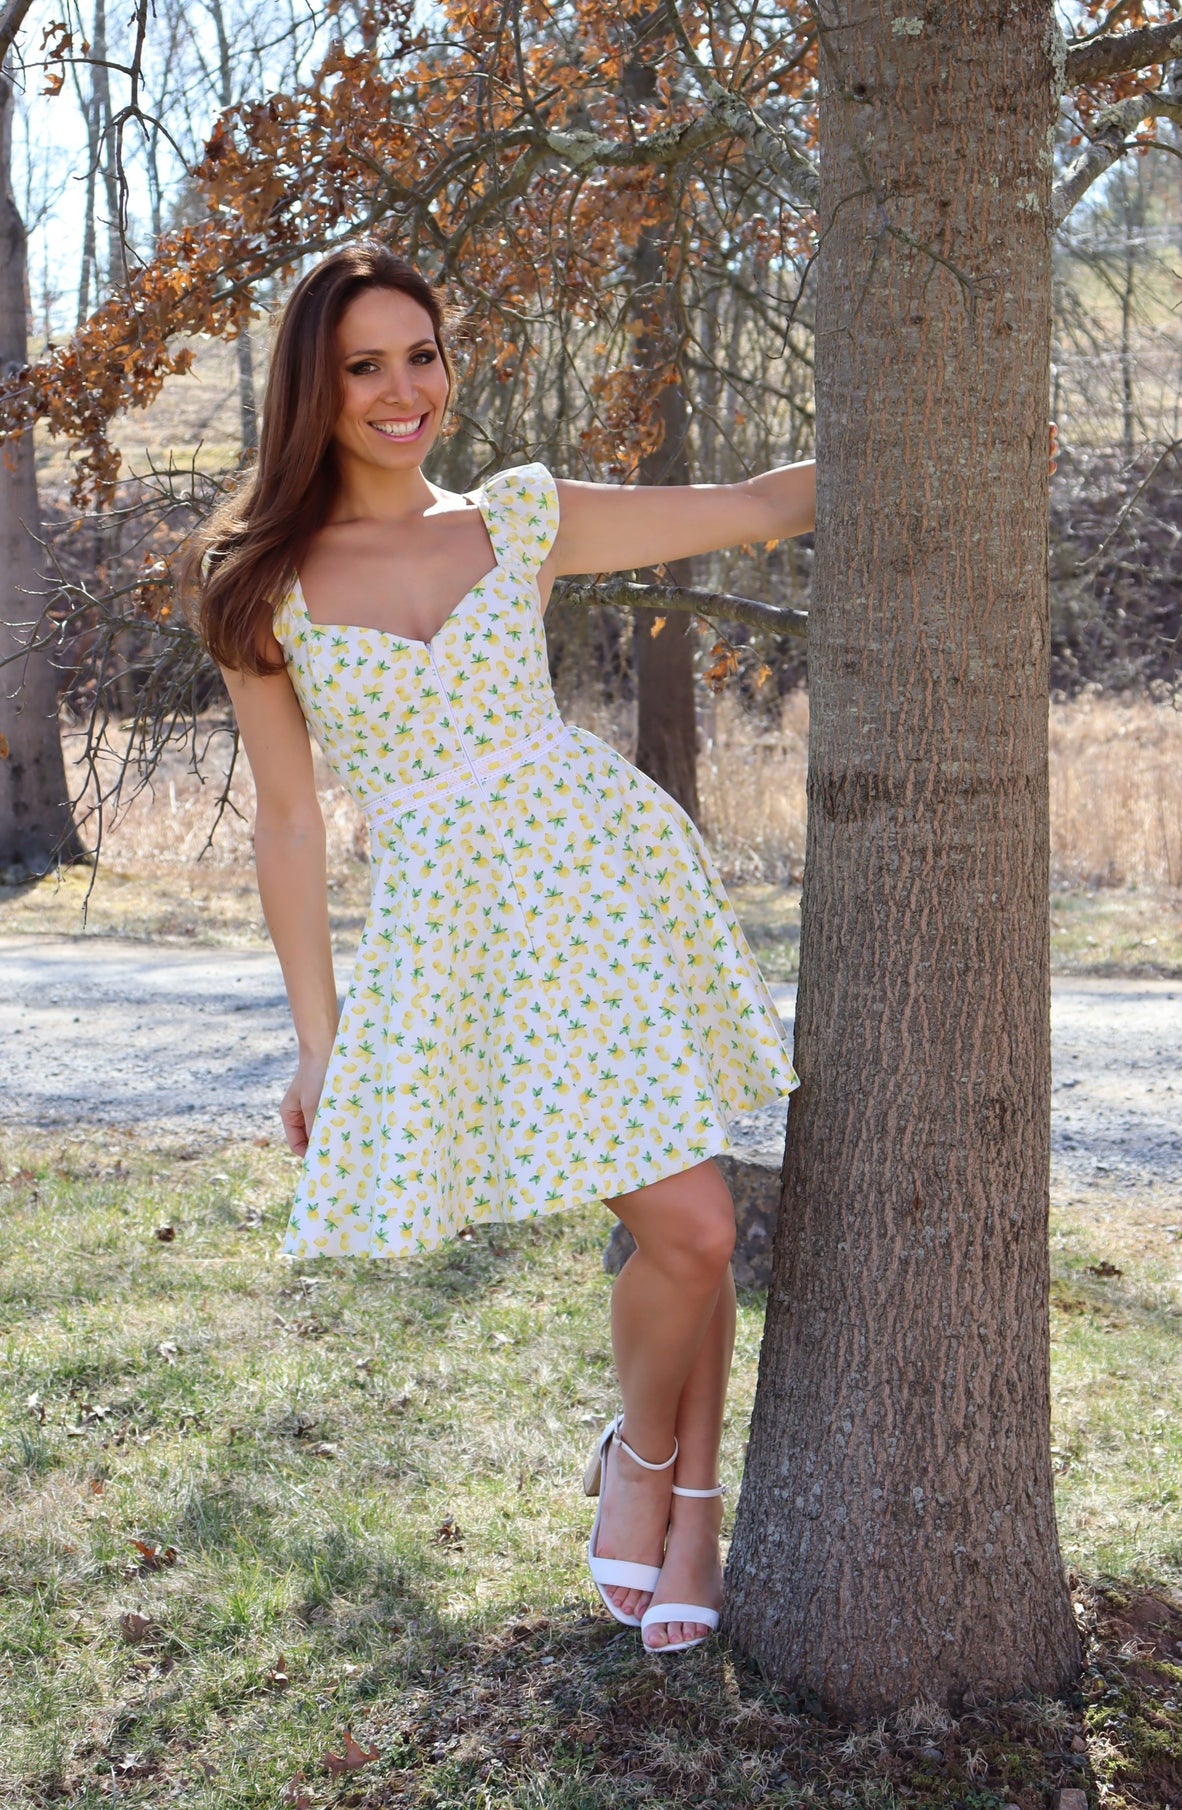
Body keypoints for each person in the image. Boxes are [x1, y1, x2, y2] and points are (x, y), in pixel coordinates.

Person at [191, 241, 814, 1656]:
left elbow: (761, 504)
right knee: (689, 1223)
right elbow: (288, 825)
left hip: (598, 878)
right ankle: (653, 1466)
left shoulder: (517, 518)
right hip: (464, 932)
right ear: (315, 385)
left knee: (695, 1219)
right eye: (367, 365)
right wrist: (317, 1031)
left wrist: (946, 430)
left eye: (424, 355)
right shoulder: (260, 584)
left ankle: (673, 1489)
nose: (404, 390)